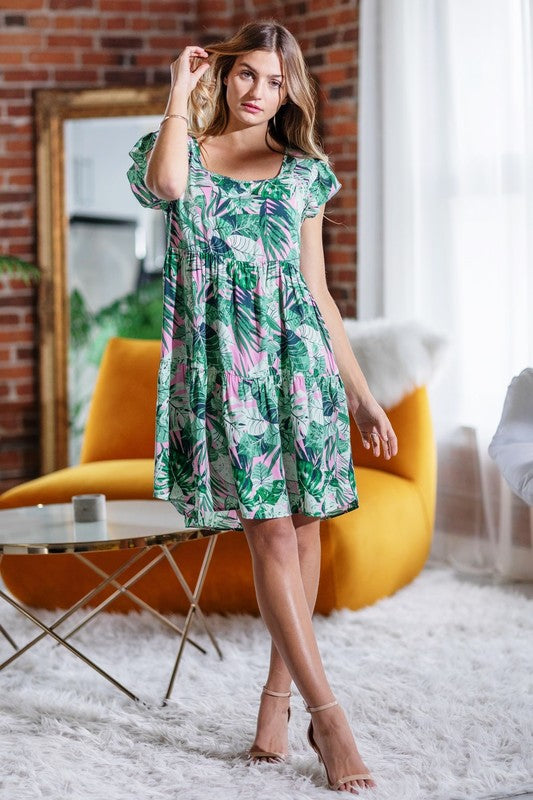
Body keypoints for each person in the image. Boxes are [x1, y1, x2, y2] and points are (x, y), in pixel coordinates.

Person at [127, 19, 398, 794]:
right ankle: (330, 717)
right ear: (224, 74)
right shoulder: (179, 152)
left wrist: (362, 393)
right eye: (247, 74)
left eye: (276, 82)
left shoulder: (303, 172)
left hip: (299, 365)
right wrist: (179, 94)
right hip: (226, 370)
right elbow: (170, 189)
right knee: (272, 535)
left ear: (290, 91)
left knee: (302, 530)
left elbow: (317, 293)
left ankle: (277, 702)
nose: (259, 93)